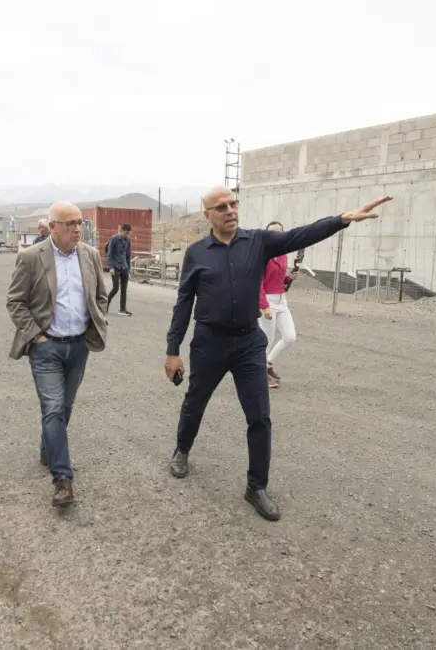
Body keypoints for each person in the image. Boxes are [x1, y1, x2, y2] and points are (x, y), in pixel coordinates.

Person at [163, 186, 391, 521]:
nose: (230, 210)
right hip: (209, 343)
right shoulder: (197, 253)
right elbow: (184, 302)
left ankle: (256, 486)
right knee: (195, 402)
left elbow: (301, 235)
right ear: (208, 214)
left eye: (233, 204)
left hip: (248, 344)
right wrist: (173, 350)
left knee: (259, 416)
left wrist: (342, 219)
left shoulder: (258, 241)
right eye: (221, 207)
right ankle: (182, 450)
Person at [6, 201, 109, 507]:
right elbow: (15, 301)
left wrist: (94, 326)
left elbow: (100, 297)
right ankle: (63, 479)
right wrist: (36, 336)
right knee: (52, 408)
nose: (77, 229)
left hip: (78, 346)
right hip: (46, 347)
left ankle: (48, 447)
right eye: (70, 224)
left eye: (80, 223)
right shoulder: (31, 257)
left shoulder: (90, 255)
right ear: (52, 227)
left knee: (64, 407)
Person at [259, 221, 299, 389]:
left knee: (290, 337)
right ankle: (260, 374)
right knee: (267, 338)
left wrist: (289, 278)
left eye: (279, 233)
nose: (276, 236)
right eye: (272, 232)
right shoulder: (261, 255)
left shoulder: (283, 254)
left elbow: (279, 279)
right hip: (268, 300)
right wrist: (264, 305)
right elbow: (257, 283)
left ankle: (267, 363)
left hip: (282, 300)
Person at [105, 223, 133, 316]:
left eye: (128, 233)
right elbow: (109, 254)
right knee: (115, 288)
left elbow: (128, 255)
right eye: (126, 233)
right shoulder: (114, 239)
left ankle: (122, 309)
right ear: (122, 231)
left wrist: (128, 269)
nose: (127, 235)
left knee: (124, 289)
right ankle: (105, 304)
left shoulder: (128, 240)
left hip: (124, 267)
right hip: (115, 267)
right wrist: (111, 267)